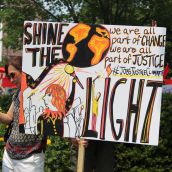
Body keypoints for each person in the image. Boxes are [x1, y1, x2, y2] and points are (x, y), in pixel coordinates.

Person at [0, 56, 47, 172]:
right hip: (10, 155)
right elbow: (9, 117)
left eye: (13, 75)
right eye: (8, 76)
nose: (11, 80)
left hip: (30, 158)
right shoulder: (17, 93)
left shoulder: (39, 93)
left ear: (23, 71)